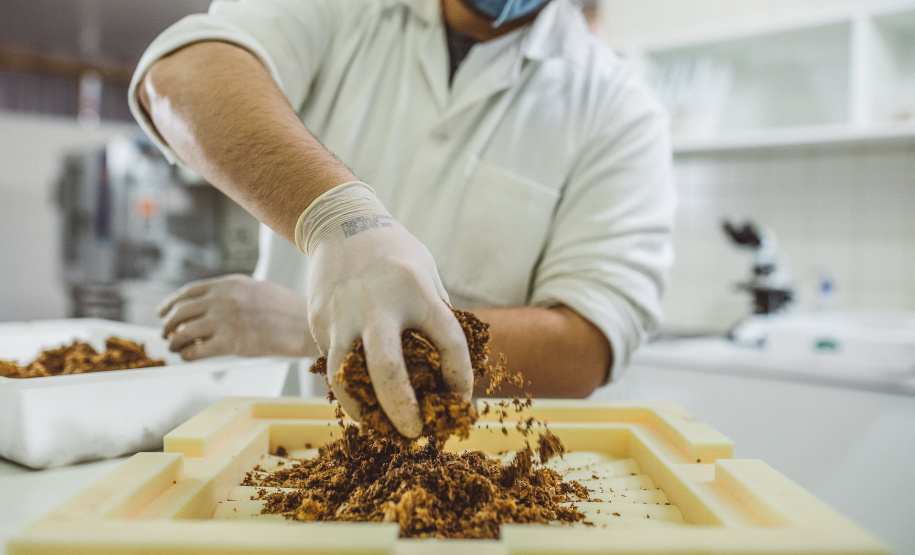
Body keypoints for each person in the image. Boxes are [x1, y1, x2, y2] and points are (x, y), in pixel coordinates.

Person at [129, 0, 675, 438]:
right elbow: (182, 73)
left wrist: (319, 326)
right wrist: (340, 217)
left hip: (471, 472)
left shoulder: (620, 109)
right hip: (285, 454)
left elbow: (585, 345)